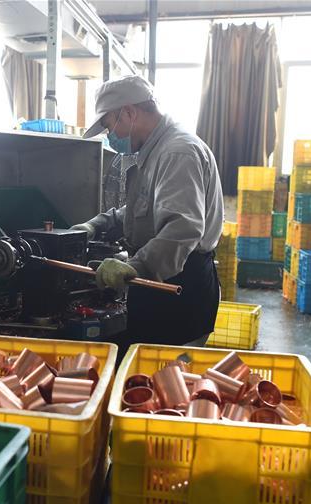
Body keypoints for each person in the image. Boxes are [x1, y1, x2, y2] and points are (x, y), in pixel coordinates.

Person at [72, 75, 224, 348]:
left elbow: (182, 229)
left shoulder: (177, 152)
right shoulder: (158, 149)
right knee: (144, 367)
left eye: (109, 125)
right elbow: (146, 207)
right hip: (160, 281)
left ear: (130, 113)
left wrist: (135, 267)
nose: (110, 136)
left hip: (179, 289)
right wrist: (99, 224)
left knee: (168, 371)